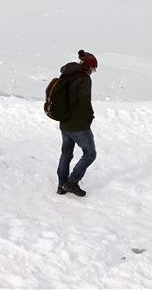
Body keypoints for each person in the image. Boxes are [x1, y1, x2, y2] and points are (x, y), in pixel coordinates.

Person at [56, 49, 98, 198]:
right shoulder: (84, 79)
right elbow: (84, 103)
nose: (93, 71)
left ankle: (61, 185)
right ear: (89, 67)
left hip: (64, 122)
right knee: (90, 154)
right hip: (78, 125)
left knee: (66, 153)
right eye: (94, 68)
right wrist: (89, 118)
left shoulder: (67, 74)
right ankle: (72, 182)